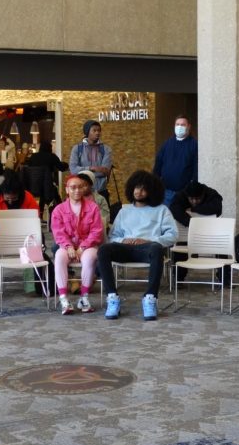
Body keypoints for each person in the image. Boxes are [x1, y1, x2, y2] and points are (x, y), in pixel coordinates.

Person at [97, 170, 177, 321]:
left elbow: (172, 235)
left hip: (148, 249)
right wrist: (123, 241)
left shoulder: (161, 210)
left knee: (156, 248)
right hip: (125, 249)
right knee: (104, 249)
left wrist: (148, 240)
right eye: (136, 187)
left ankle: (150, 298)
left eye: (143, 188)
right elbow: (113, 236)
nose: (138, 192)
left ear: (151, 191)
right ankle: (112, 298)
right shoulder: (124, 211)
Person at [51, 174, 104, 314]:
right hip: (67, 246)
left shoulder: (93, 208)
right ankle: (64, 299)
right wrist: (68, 246)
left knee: (89, 258)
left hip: (87, 246)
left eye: (80, 187)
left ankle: (84, 297)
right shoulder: (59, 210)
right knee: (59, 257)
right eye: (73, 187)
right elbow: (58, 232)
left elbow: (96, 231)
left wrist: (82, 247)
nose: (77, 190)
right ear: (67, 190)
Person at [153, 115, 198, 205]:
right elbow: (158, 164)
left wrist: (192, 187)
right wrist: (154, 182)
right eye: (177, 124)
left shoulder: (194, 145)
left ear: (189, 126)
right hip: (166, 192)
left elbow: (196, 168)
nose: (179, 127)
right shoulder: (167, 144)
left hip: (184, 193)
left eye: (183, 125)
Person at [0, 171, 37, 239]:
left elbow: (35, 219)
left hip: (22, 231)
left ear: (19, 194)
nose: (10, 202)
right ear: (2, 193)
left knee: (39, 236)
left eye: (14, 198)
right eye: (7, 198)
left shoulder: (28, 197)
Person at [68, 120, 112, 194]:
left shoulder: (106, 149)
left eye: (99, 130)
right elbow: (73, 170)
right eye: (94, 130)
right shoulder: (77, 149)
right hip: (81, 192)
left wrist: (82, 172)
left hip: (101, 191)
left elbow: (105, 171)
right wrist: (91, 168)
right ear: (87, 132)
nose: (97, 133)